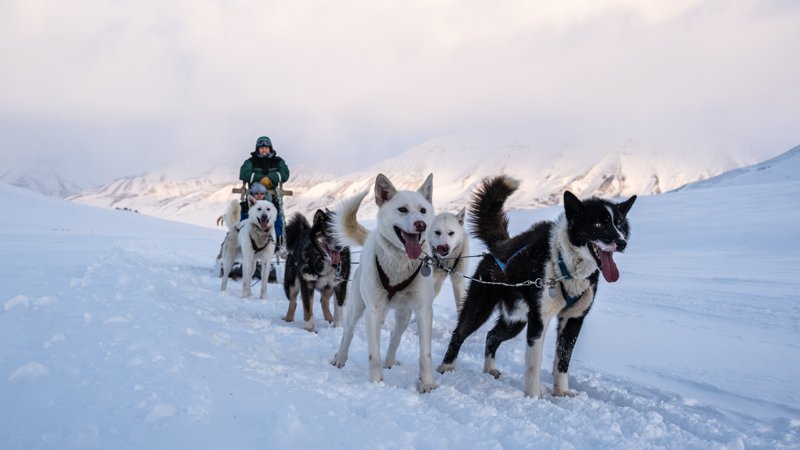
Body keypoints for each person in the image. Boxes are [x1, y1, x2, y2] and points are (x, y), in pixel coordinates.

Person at [239, 136, 290, 243]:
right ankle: (245, 241)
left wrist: (271, 178)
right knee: (246, 216)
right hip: (254, 198)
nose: (264, 149)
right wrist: (262, 179)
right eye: (261, 147)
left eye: (266, 147)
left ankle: (274, 241)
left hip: (272, 197)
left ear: (270, 148)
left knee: (276, 218)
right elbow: (244, 173)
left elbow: (285, 174)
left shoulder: (278, 161)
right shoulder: (251, 162)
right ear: (257, 149)